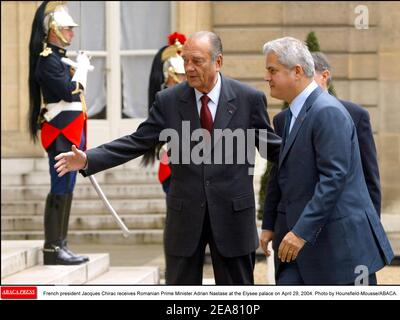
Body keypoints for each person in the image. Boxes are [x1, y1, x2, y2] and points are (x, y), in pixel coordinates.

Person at [54, 31, 281, 285]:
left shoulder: (248, 100)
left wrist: (314, 151)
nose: (189, 68)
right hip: (184, 221)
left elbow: (273, 149)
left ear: (218, 62)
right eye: (186, 61)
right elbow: (137, 141)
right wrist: (88, 159)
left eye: (197, 61)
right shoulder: (169, 100)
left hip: (234, 220)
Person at [259, 37, 394, 285]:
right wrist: (270, 224)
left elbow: (333, 179)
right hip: (300, 251)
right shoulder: (288, 117)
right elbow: (282, 173)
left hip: (339, 254)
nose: (267, 77)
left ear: (297, 71)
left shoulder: (326, 111)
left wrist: (300, 232)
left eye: (272, 70)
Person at [28, 1, 91, 265]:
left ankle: (61, 243)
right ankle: (53, 248)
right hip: (60, 132)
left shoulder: (58, 59)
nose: (72, 33)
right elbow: (68, 92)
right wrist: (83, 70)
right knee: (60, 187)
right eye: (67, 28)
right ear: (53, 29)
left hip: (70, 131)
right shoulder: (48, 61)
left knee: (67, 187)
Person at [311, 51, 381, 216]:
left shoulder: (355, 114)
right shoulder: (285, 118)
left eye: (309, 74)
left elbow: (369, 175)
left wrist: (372, 224)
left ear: (324, 76)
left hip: (343, 217)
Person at [143, 32, 187, 194]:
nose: (184, 78)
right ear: (170, 73)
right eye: (181, 74)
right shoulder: (164, 100)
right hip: (170, 157)